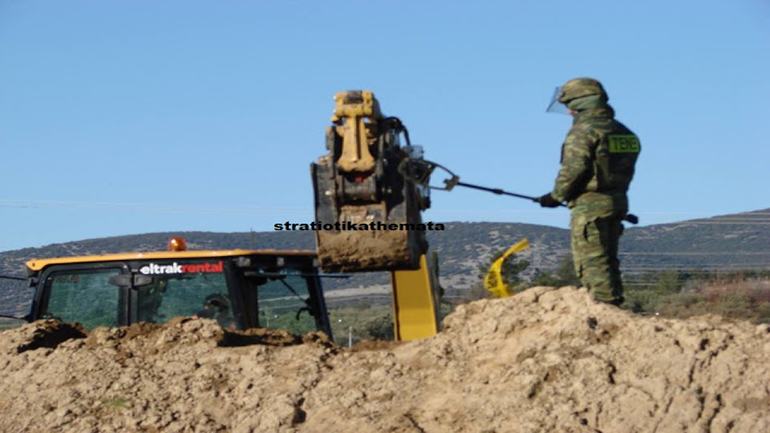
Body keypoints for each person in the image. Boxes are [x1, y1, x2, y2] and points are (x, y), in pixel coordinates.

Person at [538, 78, 641, 306]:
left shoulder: (584, 131)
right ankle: (615, 307)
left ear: (582, 102)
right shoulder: (624, 132)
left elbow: (574, 169)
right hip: (618, 203)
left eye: (569, 103)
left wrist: (555, 196)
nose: (567, 110)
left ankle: (605, 311)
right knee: (608, 261)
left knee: (592, 262)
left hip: (590, 208)